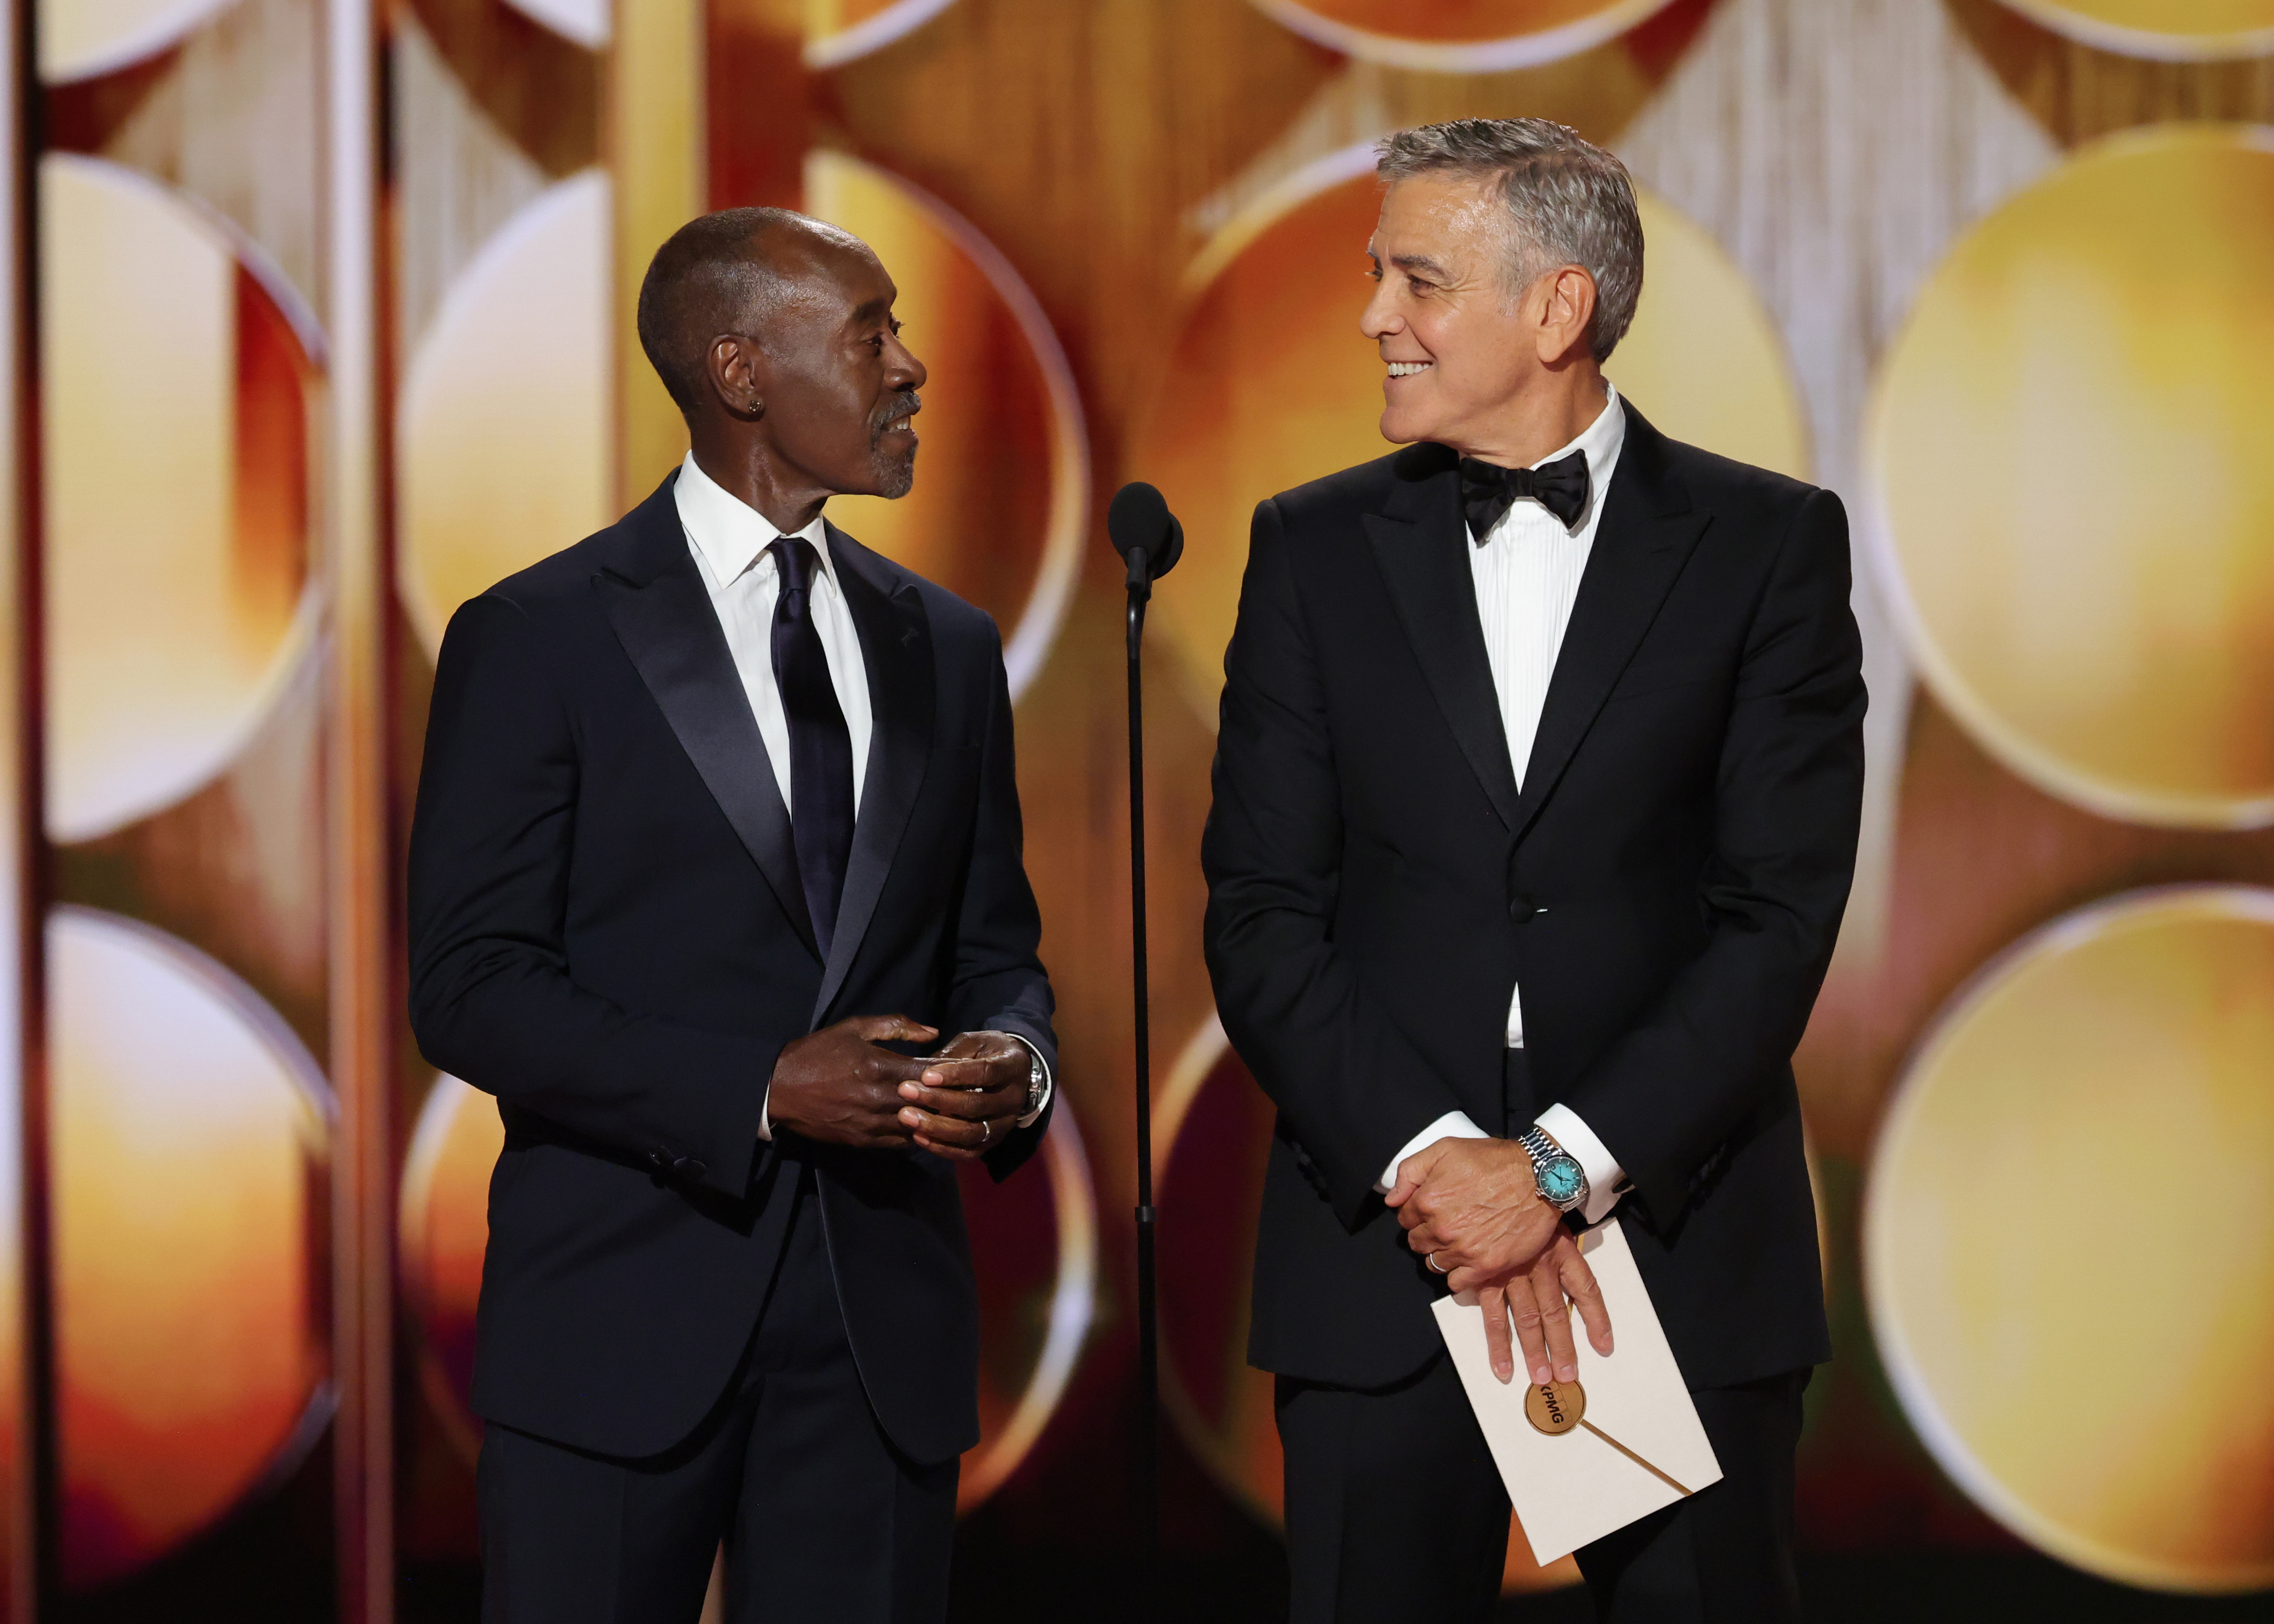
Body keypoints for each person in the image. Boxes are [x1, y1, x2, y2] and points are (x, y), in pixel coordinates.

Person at [1202, 118, 1864, 1622]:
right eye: (1379, 276)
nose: (1376, 315)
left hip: (1677, 1254)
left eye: (1418, 281)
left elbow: (1777, 920)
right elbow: (1259, 914)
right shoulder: (1309, 551)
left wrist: (1559, 1168)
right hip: (1386, 1252)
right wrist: (1444, 1168)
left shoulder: (1768, 548)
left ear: (1557, 307)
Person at [408, 206, 1058, 1623]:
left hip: (880, 1341)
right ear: (742, 371)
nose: (913, 370)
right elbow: (470, 985)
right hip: (616, 1328)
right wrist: (759, 1091)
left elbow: (997, 951)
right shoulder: (539, 637)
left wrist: (1018, 1065)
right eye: (872, 331)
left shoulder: (948, 645)